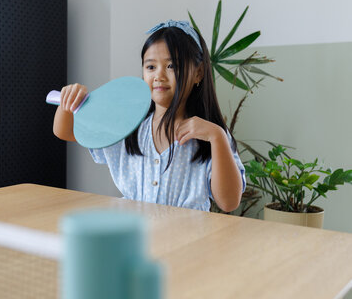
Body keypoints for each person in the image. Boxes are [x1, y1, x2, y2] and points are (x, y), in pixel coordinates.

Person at [53, 20, 245, 212]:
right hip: (133, 235)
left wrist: (217, 137)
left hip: (188, 237)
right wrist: (68, 103)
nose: (159, 76)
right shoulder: (128, 124)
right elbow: (66, 132)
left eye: (172, 66)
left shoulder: (210, 135)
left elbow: (229, 202)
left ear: (199, 73)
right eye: (151, 67)